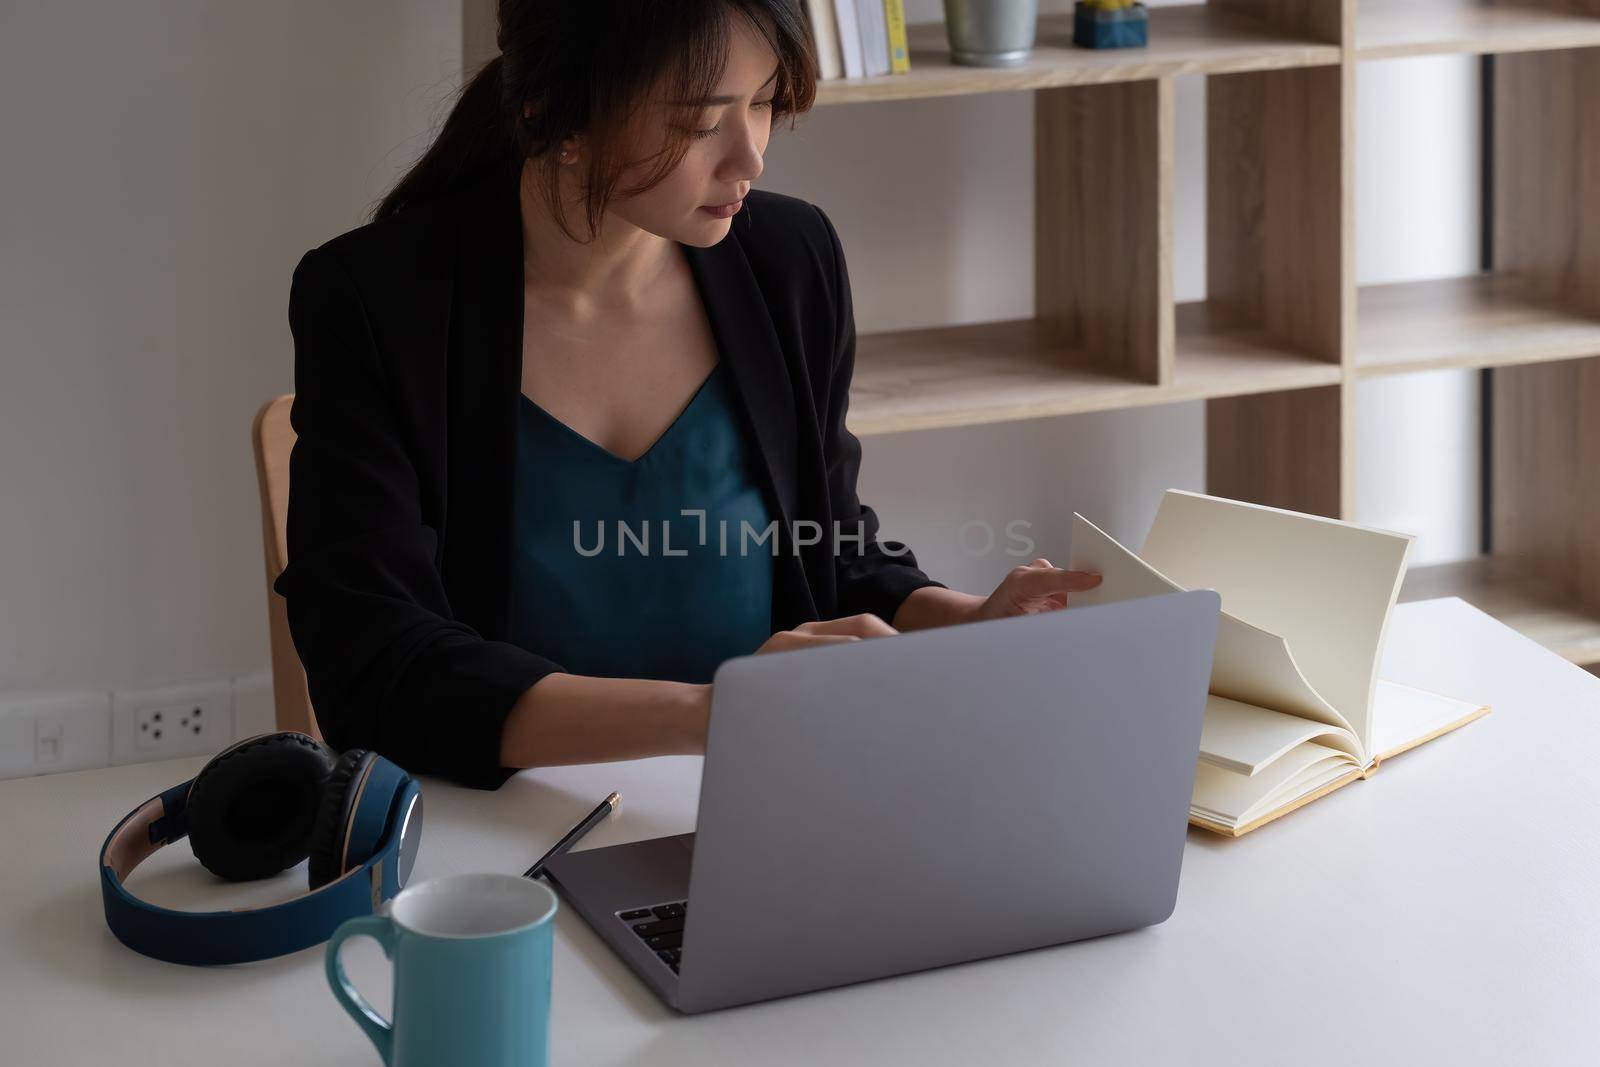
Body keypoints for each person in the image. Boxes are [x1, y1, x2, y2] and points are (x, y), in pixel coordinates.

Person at [273, 0, 1102, 791]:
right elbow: (377, 664)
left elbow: (830, 550)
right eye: (701, 122)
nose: (752, 157)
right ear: (558, 112)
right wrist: (714, 712)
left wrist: (960, 623)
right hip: (503, 833)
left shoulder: (788, 259)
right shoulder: (378, 300)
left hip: (766, 790)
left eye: (768, 103)